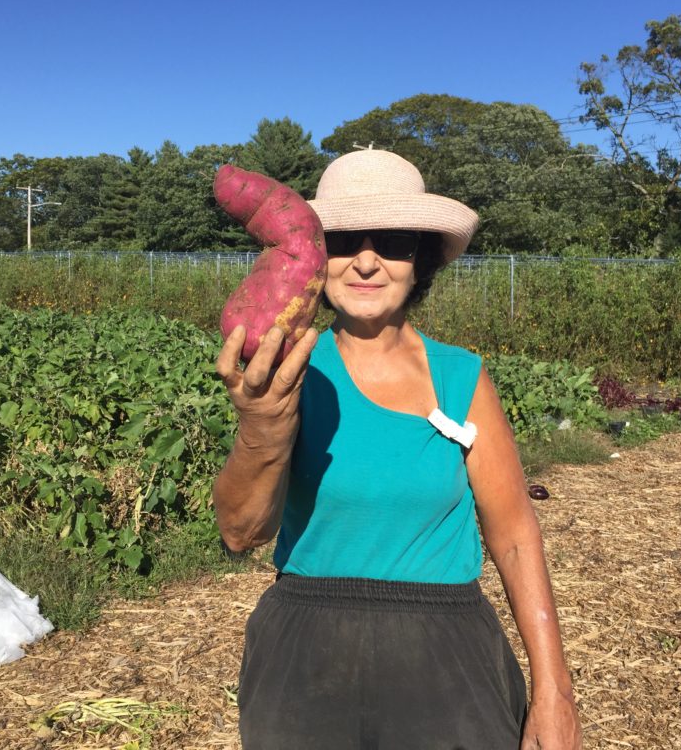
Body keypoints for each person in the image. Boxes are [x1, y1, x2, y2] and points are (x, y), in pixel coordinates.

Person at [213, 149, 582, 750]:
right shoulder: (286, 366)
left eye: (392, 241)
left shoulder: (461, 377)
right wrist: (262, 428)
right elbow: (240, 531)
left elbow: (514, 537)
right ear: (311, 254)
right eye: (343, 239)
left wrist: (554, 693)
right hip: (305, 657)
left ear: (421, 261)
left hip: (446, 659)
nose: (365, 260)